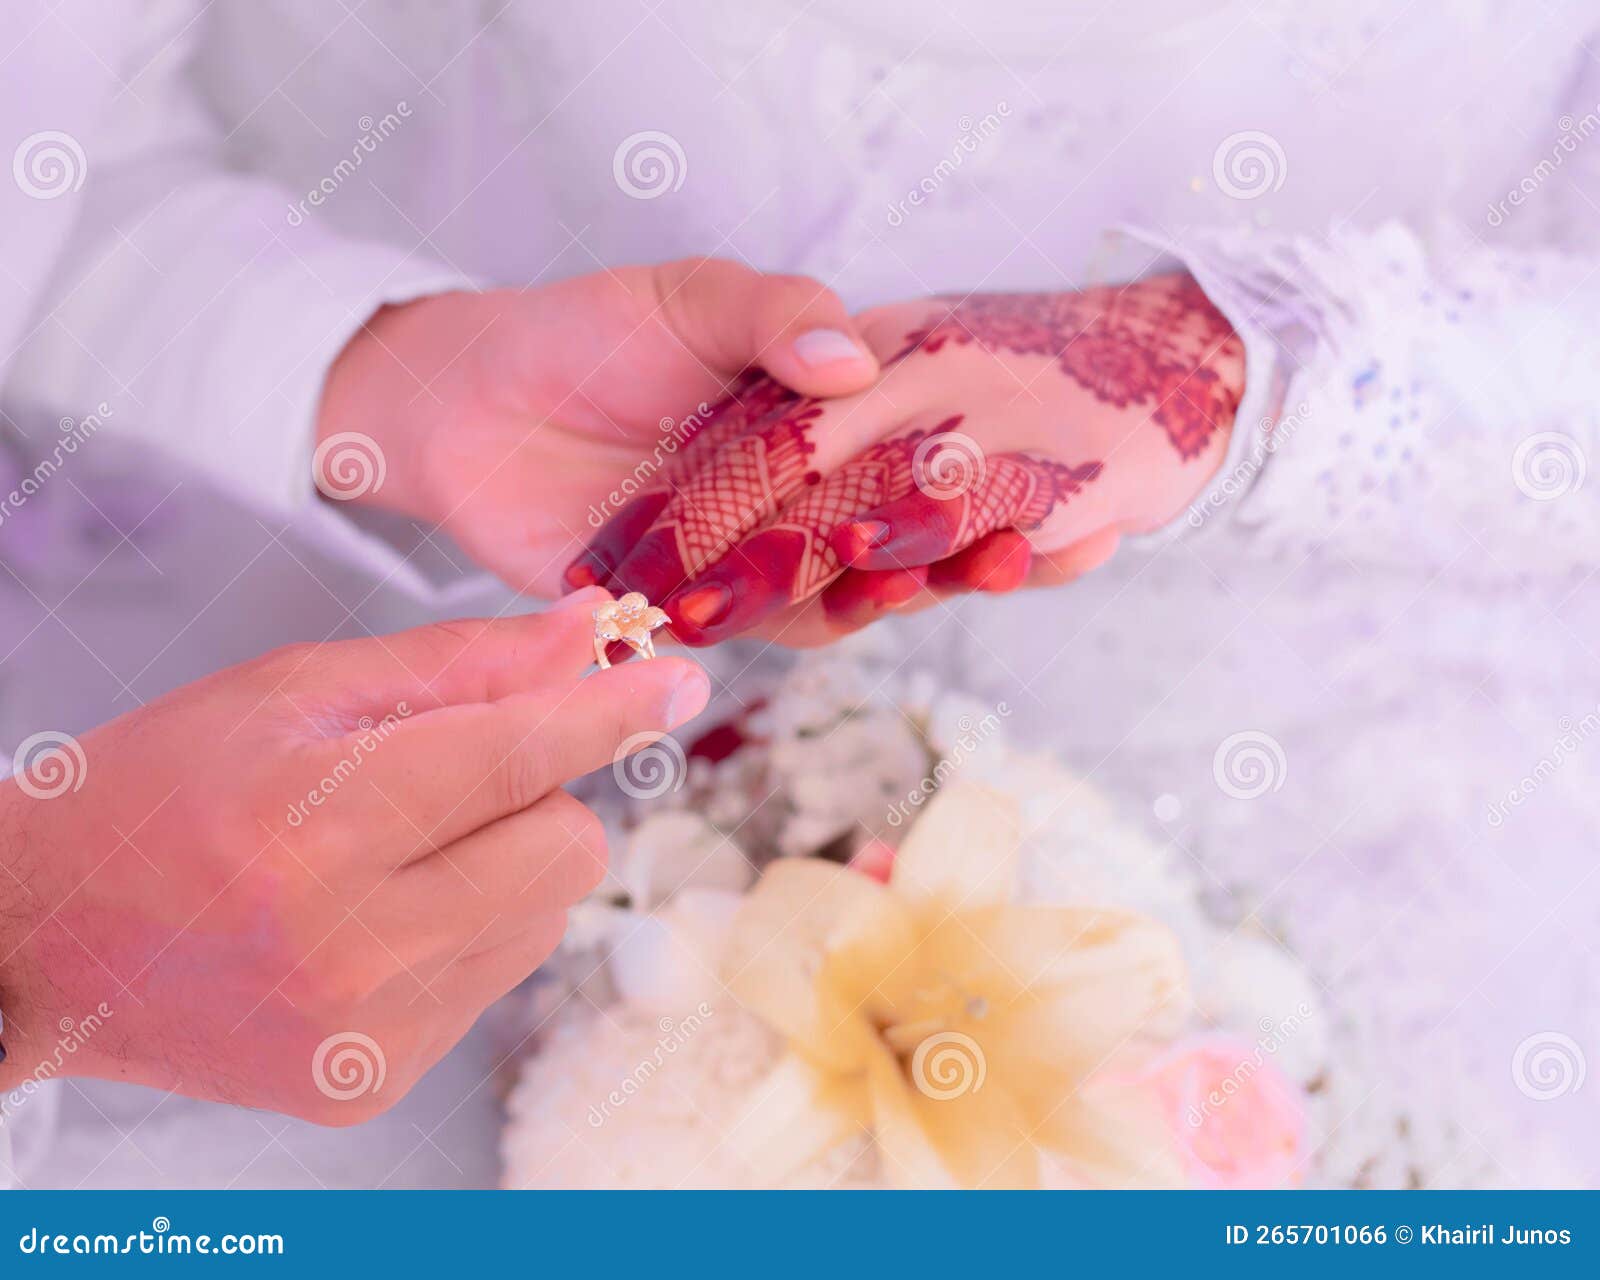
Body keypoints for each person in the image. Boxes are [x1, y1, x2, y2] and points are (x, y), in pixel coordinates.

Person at [4, 0, 1599, 1189]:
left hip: (1375, 800)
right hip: (412, 820)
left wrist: (1263, 378)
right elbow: (70, 154)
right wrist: (383, 366)